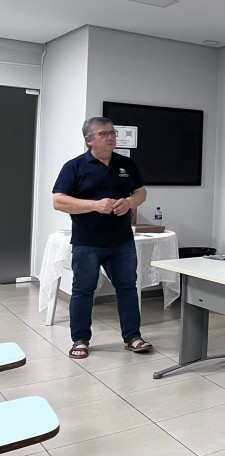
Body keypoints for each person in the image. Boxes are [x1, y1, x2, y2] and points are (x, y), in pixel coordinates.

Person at [53, 117, 154, 359]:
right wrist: (94, 205)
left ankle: (132, 337)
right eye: (104, 134)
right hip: (87, 241)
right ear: (89, 140)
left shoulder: (126, 164)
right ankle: (80, 339)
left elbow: (141, 191)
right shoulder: (74, 166)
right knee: (83, 290)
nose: (111, 138)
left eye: (112, 133)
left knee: (128, 288)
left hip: (121, 241)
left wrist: (129, 202)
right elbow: (58, 201)